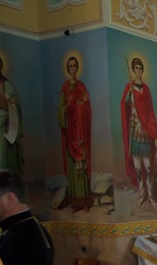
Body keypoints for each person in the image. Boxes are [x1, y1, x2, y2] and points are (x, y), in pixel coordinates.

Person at [121, 57, 157, 208]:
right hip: (134, 132)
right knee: (138, 167)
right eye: (136, 68)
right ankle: (142, 194)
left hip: (145, 132)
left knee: (148, 167)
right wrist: (128, 97)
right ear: (133, 70)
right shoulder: (129, 88)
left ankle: (151, 196)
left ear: (142, 70)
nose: (138, 71)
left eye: (140, 68)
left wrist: (155, 137)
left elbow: (150, 113)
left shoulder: (146, 89)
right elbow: (124, 107)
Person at [57, 56, 92, 213]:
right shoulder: (65, 88)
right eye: (70, 66)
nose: (72, 68)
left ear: (77, 68)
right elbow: (60, 110)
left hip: (80, 132)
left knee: (81, 168)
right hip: (70, 131)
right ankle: (74, 201)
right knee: (73, 168)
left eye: (74, 66)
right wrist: (67, 108)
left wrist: (81, 103)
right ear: (67, 68)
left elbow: (86, 107)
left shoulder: (81, 86)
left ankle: (84, 200)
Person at [0, 52, 22, 174]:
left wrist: (10, 100)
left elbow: (15, 101)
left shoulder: (6, 84)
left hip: (0, 124)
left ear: (1, 65)